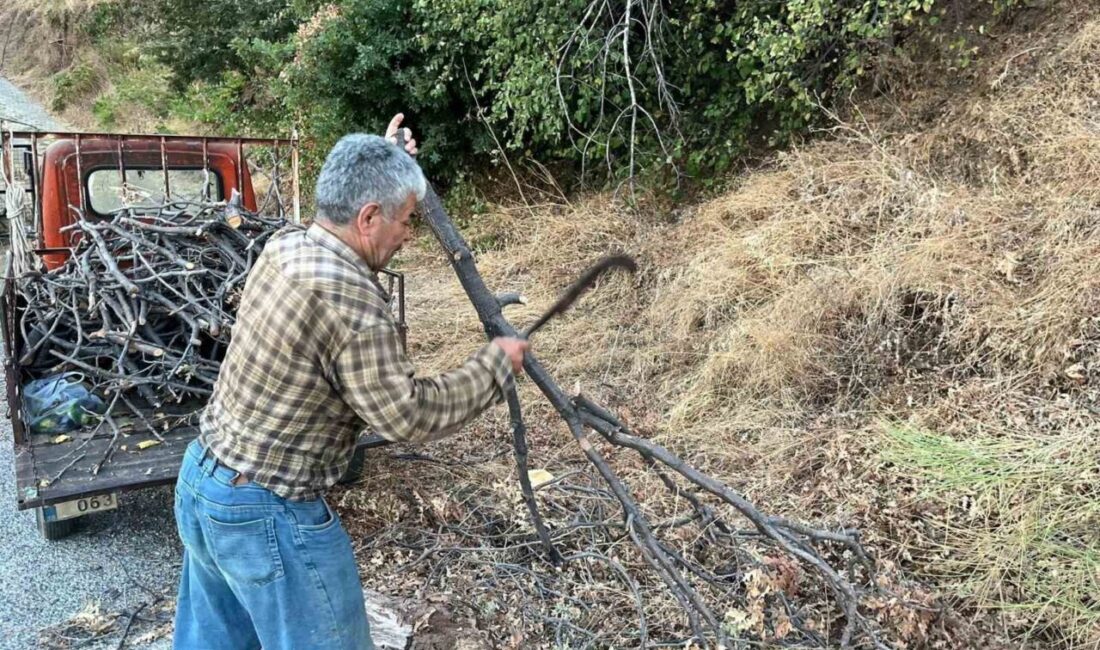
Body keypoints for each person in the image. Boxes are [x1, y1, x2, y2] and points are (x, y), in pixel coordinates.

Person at [172, 115, 528, 650]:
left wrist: (388, 162)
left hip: (203, 487)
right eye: (407, 220)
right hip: (266, 514)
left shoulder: (286, 246)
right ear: (368, 216)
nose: (409, 235)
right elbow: (406, 415)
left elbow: (349, 196)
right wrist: (494, 366)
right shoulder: (353, 301)